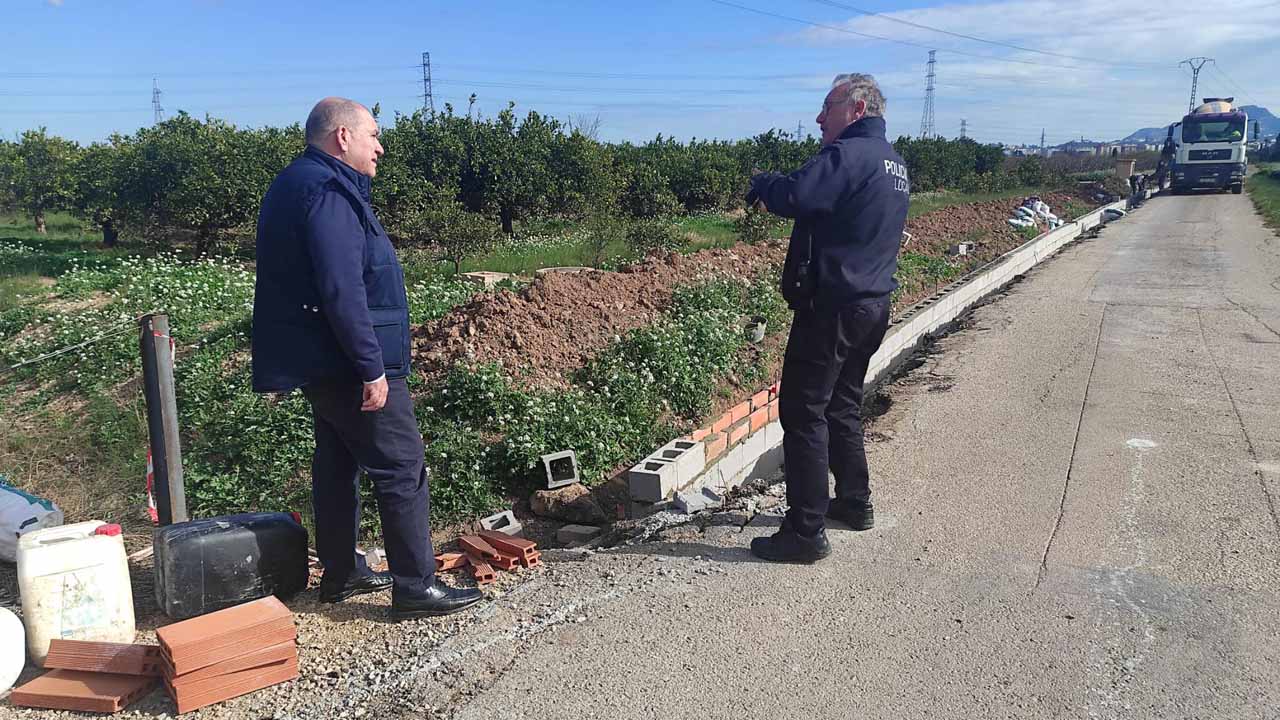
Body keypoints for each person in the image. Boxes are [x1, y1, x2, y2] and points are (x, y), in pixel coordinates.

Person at [252, 97, 483, 618]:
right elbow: (342, 289)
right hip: (347, 361)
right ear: (342, 138)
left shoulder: (297, 183)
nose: (380, 146)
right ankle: (416, 587)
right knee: (402, 466)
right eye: (374, 135)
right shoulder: (329, 192)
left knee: (336, 465)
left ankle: (342, 572)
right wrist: (371, 366)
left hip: (320, 360)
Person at [745, 74, 910, 563]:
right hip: (872, 305)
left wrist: (762, 184)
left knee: (803, 411)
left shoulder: (847, 156)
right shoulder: (894, 163)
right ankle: (855, 504)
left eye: (827, 108)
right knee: (842, 405)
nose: (819, 119)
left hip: (833, 308)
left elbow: (796, 194)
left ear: (856, 109)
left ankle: (805, 531)